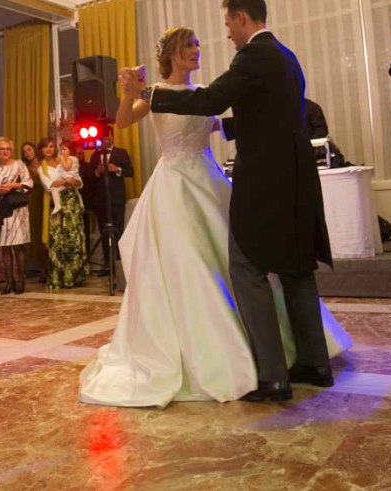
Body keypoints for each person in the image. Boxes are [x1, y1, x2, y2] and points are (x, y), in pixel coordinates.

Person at [80, 21, 351, 408]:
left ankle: (271, 353)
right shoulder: (155, 95)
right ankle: (217, 354)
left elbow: (226, 123)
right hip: (174, 186)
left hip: (209, 179)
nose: (197, 50)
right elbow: (122, 122)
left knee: (239, 261)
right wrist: (127, 93)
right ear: (172, 54)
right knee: (190, 263)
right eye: (189, 45)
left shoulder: (205, 94)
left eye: (197, 44)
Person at [0, 137, 33, 295]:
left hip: (18, 209)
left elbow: (29, 183)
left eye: (8, 149)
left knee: (18, 246)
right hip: (0, 210)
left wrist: (14, 185)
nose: (5, 151)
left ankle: (20, 281)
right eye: (2, 149)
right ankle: (9, 282)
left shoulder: (19, 165)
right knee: (5, 247)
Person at [39, 139, 87, 289]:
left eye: (51, 146)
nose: (48, 149)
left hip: (72, 203)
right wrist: (67, 181)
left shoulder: (65, 161)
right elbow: (49, 185)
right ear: (41, 150)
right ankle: (60, 277)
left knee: (73, 238)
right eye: (45, 147)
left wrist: (73, 181)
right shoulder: (41, 168)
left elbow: (79, 182)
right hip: (57, 205)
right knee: (58, 240)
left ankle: (75, 276)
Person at [84, 135, 133, 272]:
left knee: (119, 231)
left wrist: (117, 169)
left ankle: (120, 266)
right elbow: (90, 177)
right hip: (100, 201)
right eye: (102, 138)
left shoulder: (121, 152)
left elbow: (130, 172)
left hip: (117, 200)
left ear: (112, 137)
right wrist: (97, 171)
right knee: (104, 233)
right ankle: (107, 266)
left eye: (107, 137)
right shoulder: (95, 155)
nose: (105, 140)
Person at [21, 141, 47, 283]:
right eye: (24, 151)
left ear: (35, 150)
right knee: (37, 234)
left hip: (47, 197)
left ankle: (53, 267)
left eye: (29, 149)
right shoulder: (24, 168)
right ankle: (42, 269)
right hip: (34, 201)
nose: (27, 153)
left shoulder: (45, 163)